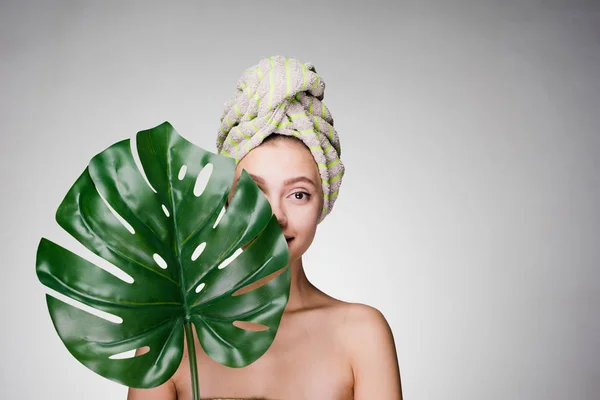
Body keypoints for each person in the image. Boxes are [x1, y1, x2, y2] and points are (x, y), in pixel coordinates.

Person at [128, 56, 402, 400]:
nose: (276, 216)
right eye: (254, 192)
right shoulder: (170, 337)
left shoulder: (361, 334)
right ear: (226, 200)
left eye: (298, 194)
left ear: (323, 203)